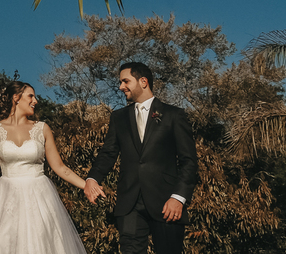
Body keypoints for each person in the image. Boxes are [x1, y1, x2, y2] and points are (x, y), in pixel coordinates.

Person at [83, 62, 199, 254]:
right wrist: (92, 178)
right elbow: (108, 153)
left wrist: (178, 198)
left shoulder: (174, 115)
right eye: (120, 82)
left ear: (143, 81)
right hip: (129, 203)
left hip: (167, 202)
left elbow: (189, 161)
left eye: (125, 81)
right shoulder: (118, 117)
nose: (121, 87)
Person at [0, 80, 88, 254]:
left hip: (40, 195)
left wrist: (86, 185)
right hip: (7, 196)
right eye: (31, 96)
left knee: (42, 241)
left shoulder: (42, 128)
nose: (35, 101)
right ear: (16, 98)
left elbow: (60, 167)